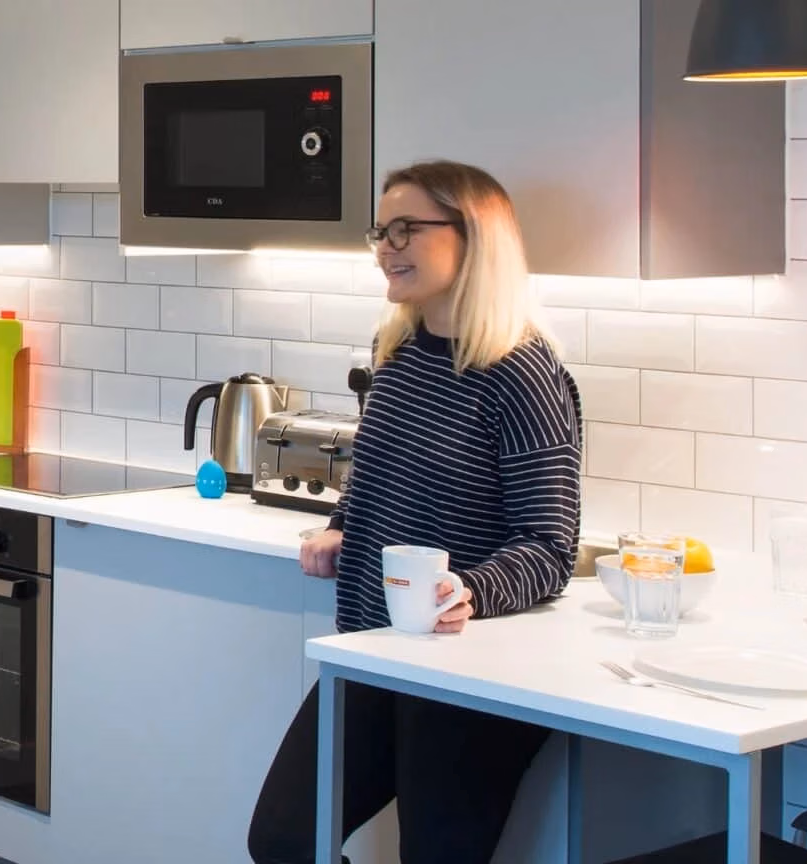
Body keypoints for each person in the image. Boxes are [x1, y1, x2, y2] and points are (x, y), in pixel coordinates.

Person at [246, 159, 584, 864]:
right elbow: (376, 475)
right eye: (381, 229)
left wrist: (471, 588)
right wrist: (343, 526)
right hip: (376, 648)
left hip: (469, 671)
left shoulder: (521, 373)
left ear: (475, 239)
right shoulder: (396, 349)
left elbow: (549, 545)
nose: (384, 247)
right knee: (283, 838)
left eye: (407, 229)